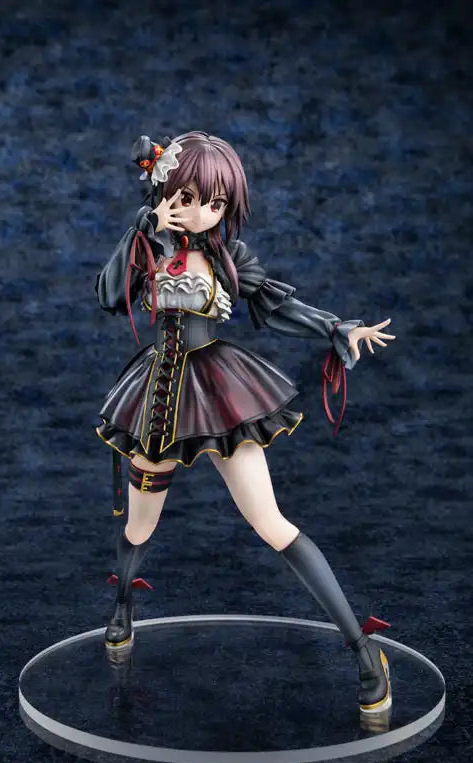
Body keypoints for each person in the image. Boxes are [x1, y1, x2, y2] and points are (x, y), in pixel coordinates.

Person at [95, 131, 396, 716]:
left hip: (219, 393)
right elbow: (109, 296)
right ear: (163, 191)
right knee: (139, 524)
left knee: (270, 521)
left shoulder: (230, 258)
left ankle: (363, 651)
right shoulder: (146, 248)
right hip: (157, 400)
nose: (202, 212)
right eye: (187, 197)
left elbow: (278, 306)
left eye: (215, 202)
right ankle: (123, 605)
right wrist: (141, 230)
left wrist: (337, 328)